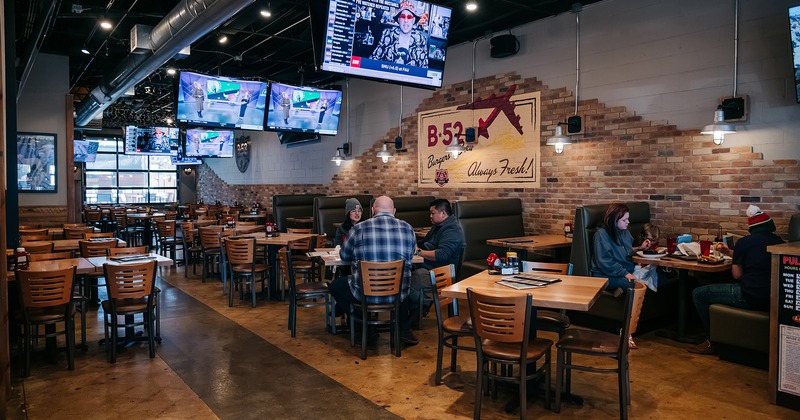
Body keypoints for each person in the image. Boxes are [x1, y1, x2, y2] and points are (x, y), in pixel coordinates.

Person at [688, 205, 784, 355]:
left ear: (751, 227)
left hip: (751, 296)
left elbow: (737, 275)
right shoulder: (781, 243)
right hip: (774, 298)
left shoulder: (745, 242)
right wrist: (728, 252)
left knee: (698, 293)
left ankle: (712, 341)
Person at [329, 196, 419, 346]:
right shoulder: (408, 228)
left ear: (372, 210)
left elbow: (344, 255)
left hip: (366, 294)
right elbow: (410, 256)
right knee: (404, 278)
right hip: (397, 294)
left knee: (335, 286)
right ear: (394, 211)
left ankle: (364, 327)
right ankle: (403, 330)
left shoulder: (358, 229)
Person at [591, 203, 652, 349]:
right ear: (613, 220)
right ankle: (626, 332)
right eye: (624, 220)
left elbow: (625, 250)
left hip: (621, 271)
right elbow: (604, 262)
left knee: (659, 277)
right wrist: (625, 273)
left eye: (628, 219)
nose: (628, 222)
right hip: (603, 274)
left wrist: (639, 248)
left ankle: (617, 289)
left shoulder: (623, 231)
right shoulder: (601, 235)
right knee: (634, 286)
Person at [409, 199, 464, 324]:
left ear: (443, 213)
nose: (430, 216)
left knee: (410, 280)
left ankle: (416, 313)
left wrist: (418, 252)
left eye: (433, 213)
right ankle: (415, 312)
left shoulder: (451, 230)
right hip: (432, 268)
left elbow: (442, 255)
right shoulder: (439, 226)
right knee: (406, 274)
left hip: (442, 274)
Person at [369, 0, 429, 68]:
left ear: (414, 20)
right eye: (403, 16)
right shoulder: (388, 34)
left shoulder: (421, 40)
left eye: (409, 17)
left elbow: (424, 68)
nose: (406, 20)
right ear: (398, 19)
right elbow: (374, 58)